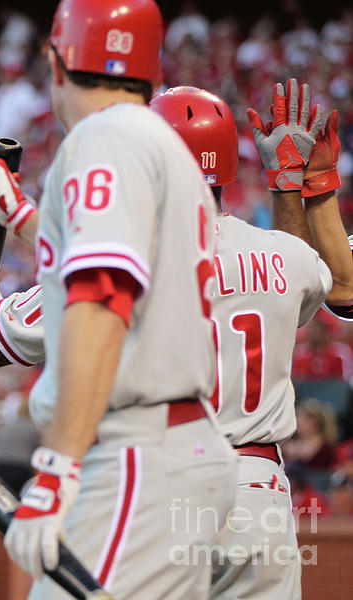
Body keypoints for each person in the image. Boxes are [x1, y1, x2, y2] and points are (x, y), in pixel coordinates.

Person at [0, 2, 237, 597]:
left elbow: (101, 296)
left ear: (57, 61)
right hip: (182, 446)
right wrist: (22, 216)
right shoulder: (158, 143)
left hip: (133, 455)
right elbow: (114, 261)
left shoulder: (102, 139)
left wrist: (55, 469)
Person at [155, 84, 330, 600]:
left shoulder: (126, 260)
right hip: (257, 490)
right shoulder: (280, 254)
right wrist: (286, 182)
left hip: (164, 483)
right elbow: (300, 276)